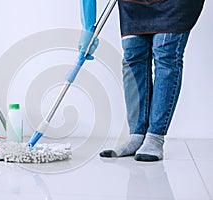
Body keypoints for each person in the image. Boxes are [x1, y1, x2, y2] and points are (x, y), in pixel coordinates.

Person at [78, 0, 205, 162]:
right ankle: (136, 135)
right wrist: (88, 27)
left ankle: (154, 138)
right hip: (133, 4)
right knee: (132, 59)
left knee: (166, 56)